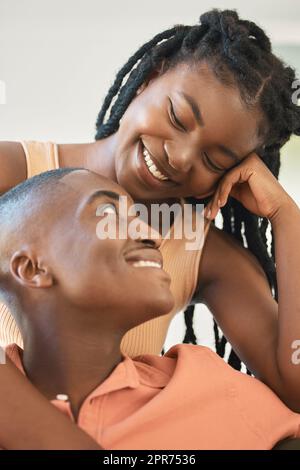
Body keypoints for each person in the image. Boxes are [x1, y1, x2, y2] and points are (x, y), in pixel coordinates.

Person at [0, 8, 300, 445]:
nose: (180, 157)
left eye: (214, 160)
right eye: (178, 118)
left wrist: (287, 218)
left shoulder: (201, 249)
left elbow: (295, 387)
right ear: (150, 78)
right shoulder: (14, 176)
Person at [1, 167, 300, 450]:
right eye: (109, 215)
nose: (152, 235)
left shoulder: (211, 386)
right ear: (31, 269)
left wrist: (286, 215)